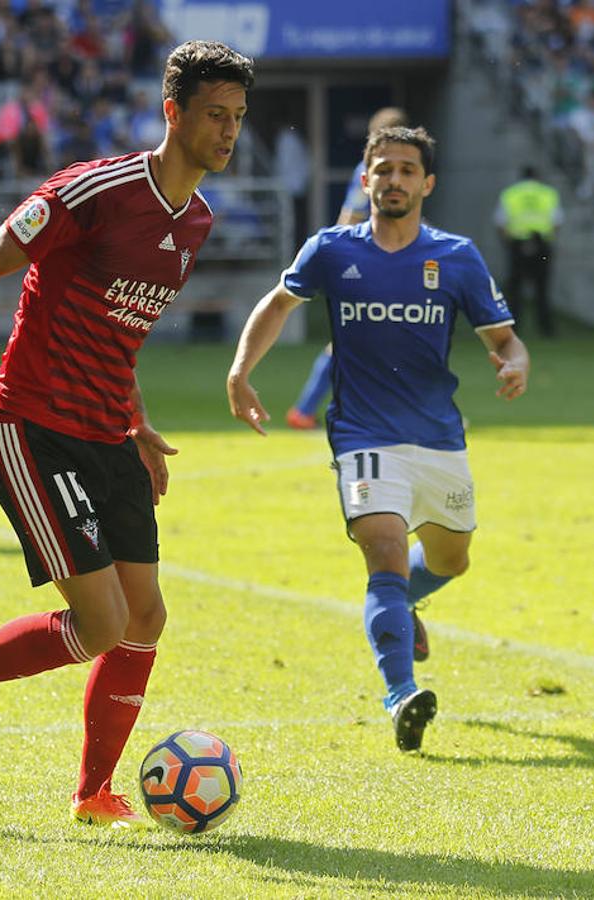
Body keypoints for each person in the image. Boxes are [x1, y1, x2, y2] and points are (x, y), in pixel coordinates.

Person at [0, 40, 254, 826]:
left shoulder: (195, 222)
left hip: (108, 433)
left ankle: (94, 793)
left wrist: (141, 422)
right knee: (102, 623)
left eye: (237, 118)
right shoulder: (95, 190)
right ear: (173, 113)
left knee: (145, 617)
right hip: (34, 427)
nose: (228, 132)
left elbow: (116, 332)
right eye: (214, 116)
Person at [227, 125, 529, 753]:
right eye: (383, 169)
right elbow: (277, 305)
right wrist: (241, 371)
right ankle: (401, 695)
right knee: (385, 550)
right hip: (363, 435)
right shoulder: (332, 249)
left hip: (438, 438)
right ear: (365, 180)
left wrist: (515, 361)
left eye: (407, 170)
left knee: (452, 559)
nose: (394, 179)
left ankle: (404, 606)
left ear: (428, 183)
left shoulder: (457, 257)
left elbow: (503, 337)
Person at [287, 107, 409, 431]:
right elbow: (351, 217)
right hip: (369, 265)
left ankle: (311, 410)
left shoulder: (378, 170)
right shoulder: (371, 170)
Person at [494, 164, 562, 337]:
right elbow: (556, 222)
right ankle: (546, 329)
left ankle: (513, 327)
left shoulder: (511, 194)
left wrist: (509, 244)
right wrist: (548, 242)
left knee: (515, 288)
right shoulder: (548, 193)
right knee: (542, 288)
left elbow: (501, 222)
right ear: (538, 177)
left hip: (517, 243)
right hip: (542, 244)